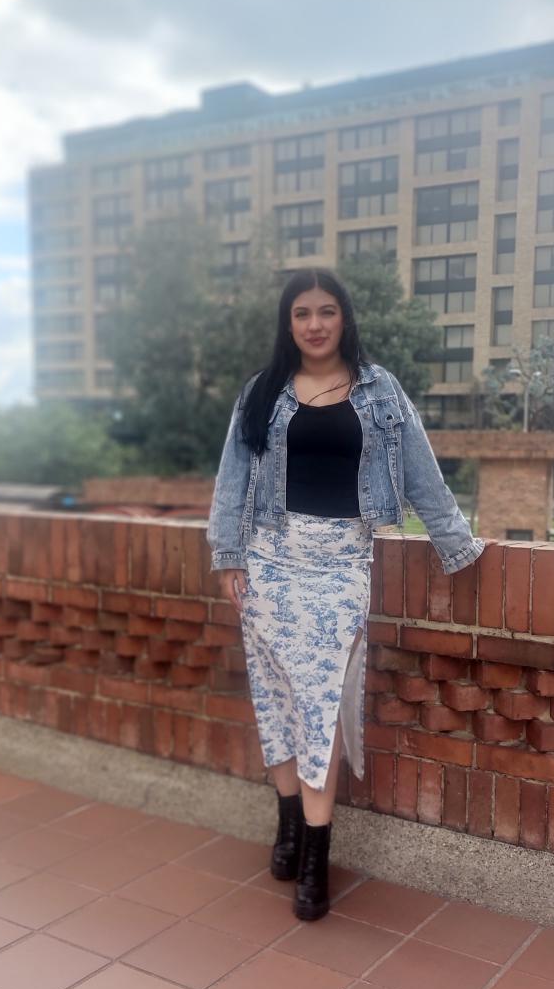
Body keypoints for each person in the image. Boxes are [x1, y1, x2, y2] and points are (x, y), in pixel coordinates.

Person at [207, 268, 484, 922]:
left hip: (340, 568)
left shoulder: (380, 390)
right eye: (301, 313)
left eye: (325, 310)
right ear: (288, 323)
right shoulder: (262, 392)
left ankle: (315, 857)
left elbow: (420, 472)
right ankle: (288, 825)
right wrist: (227, 556)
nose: (314, 324)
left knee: (323, 706)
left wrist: (457, 545)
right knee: (275, 701)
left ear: (343, 317)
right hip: (269, 564)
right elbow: (232, 477)